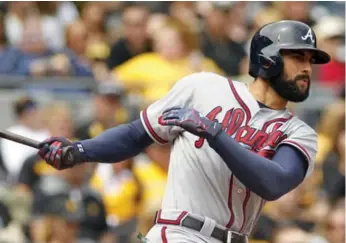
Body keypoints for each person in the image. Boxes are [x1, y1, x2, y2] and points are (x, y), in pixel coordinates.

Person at [38, 20, 330, 243]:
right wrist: (77, 151)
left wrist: (216, 135)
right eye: (298, 57)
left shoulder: (299, 132)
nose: (307, 68)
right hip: (177, 232)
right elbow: (135, 135)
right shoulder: (203, 87)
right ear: (268, 59)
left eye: (309, 60)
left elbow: (274, 182)